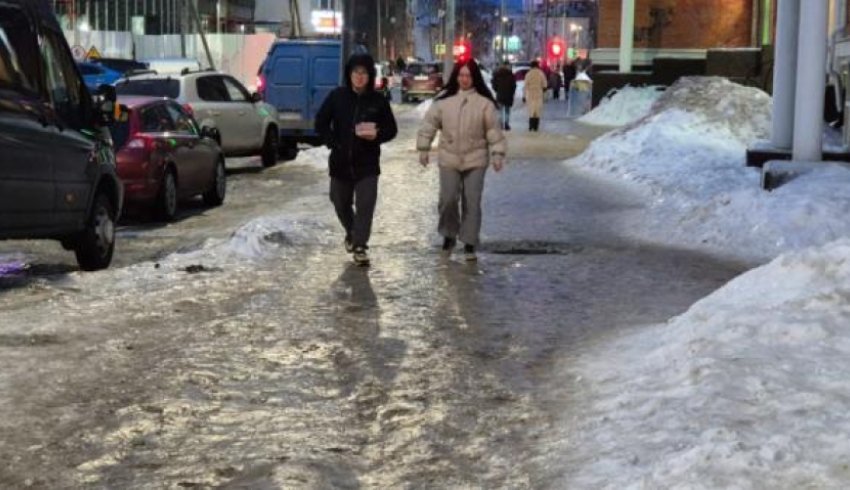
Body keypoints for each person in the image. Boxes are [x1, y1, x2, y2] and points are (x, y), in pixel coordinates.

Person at [416, 59, 507, 262]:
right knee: (448, 199)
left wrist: (498, 154)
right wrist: (424, 148)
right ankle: (448, 235)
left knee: (472, 202)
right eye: (461, 75)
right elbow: (429, 125)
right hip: (449, 158)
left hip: (476, 159)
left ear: (474, 77)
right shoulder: (443, 101)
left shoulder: (484, 104)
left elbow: (493, 131)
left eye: (468, 75)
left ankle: (469, 242)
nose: (464, 79)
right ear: (456, 77)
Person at [315, 53, 398, 266]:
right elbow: (321, 122)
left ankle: (360, 245)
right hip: (341, 162)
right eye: (355, 72)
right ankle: (352, 232)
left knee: (365, 204)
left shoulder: (377, 100)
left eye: (364, 73)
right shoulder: (337, 96)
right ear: (349, 75)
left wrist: (376, 135)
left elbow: (391, 129)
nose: (359, 77)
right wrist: (332, 142)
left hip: (367, 163)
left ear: (370, 76)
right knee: (339, 201)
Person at [491, 61, 517, 130]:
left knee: (500, 110)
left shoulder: (497, 74)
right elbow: (514, 86)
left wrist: (497, 90)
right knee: (507, 110)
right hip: (508, 95)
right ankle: (506, 124)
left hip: (500, 95)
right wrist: (512, 92)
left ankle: (500, 124)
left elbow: (493, 84)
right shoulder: (511, 75)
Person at [523, 60, 548, 132]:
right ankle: (536, 126)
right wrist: (544, 92)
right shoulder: (541, 73)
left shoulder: (528, 74)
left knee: (531, 110)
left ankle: (531, 126)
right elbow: (545, 85)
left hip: (530, 93)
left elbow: (525, 85)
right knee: (537, 111)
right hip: (538, 93)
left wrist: (524, 96)